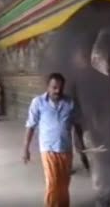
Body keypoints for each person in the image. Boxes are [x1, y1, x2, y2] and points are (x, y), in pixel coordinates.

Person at [22, 73, 75, 207]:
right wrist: (25, 149)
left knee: (64, 184)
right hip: (48, 148)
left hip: (66, 148)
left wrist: (81, 145)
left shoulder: (70, 102)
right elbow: (30, 125)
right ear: (48, 87)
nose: (58, 91)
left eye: (60, 88)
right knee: (52, 183)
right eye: (54, 87)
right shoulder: (38, 102)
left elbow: (76, 124)